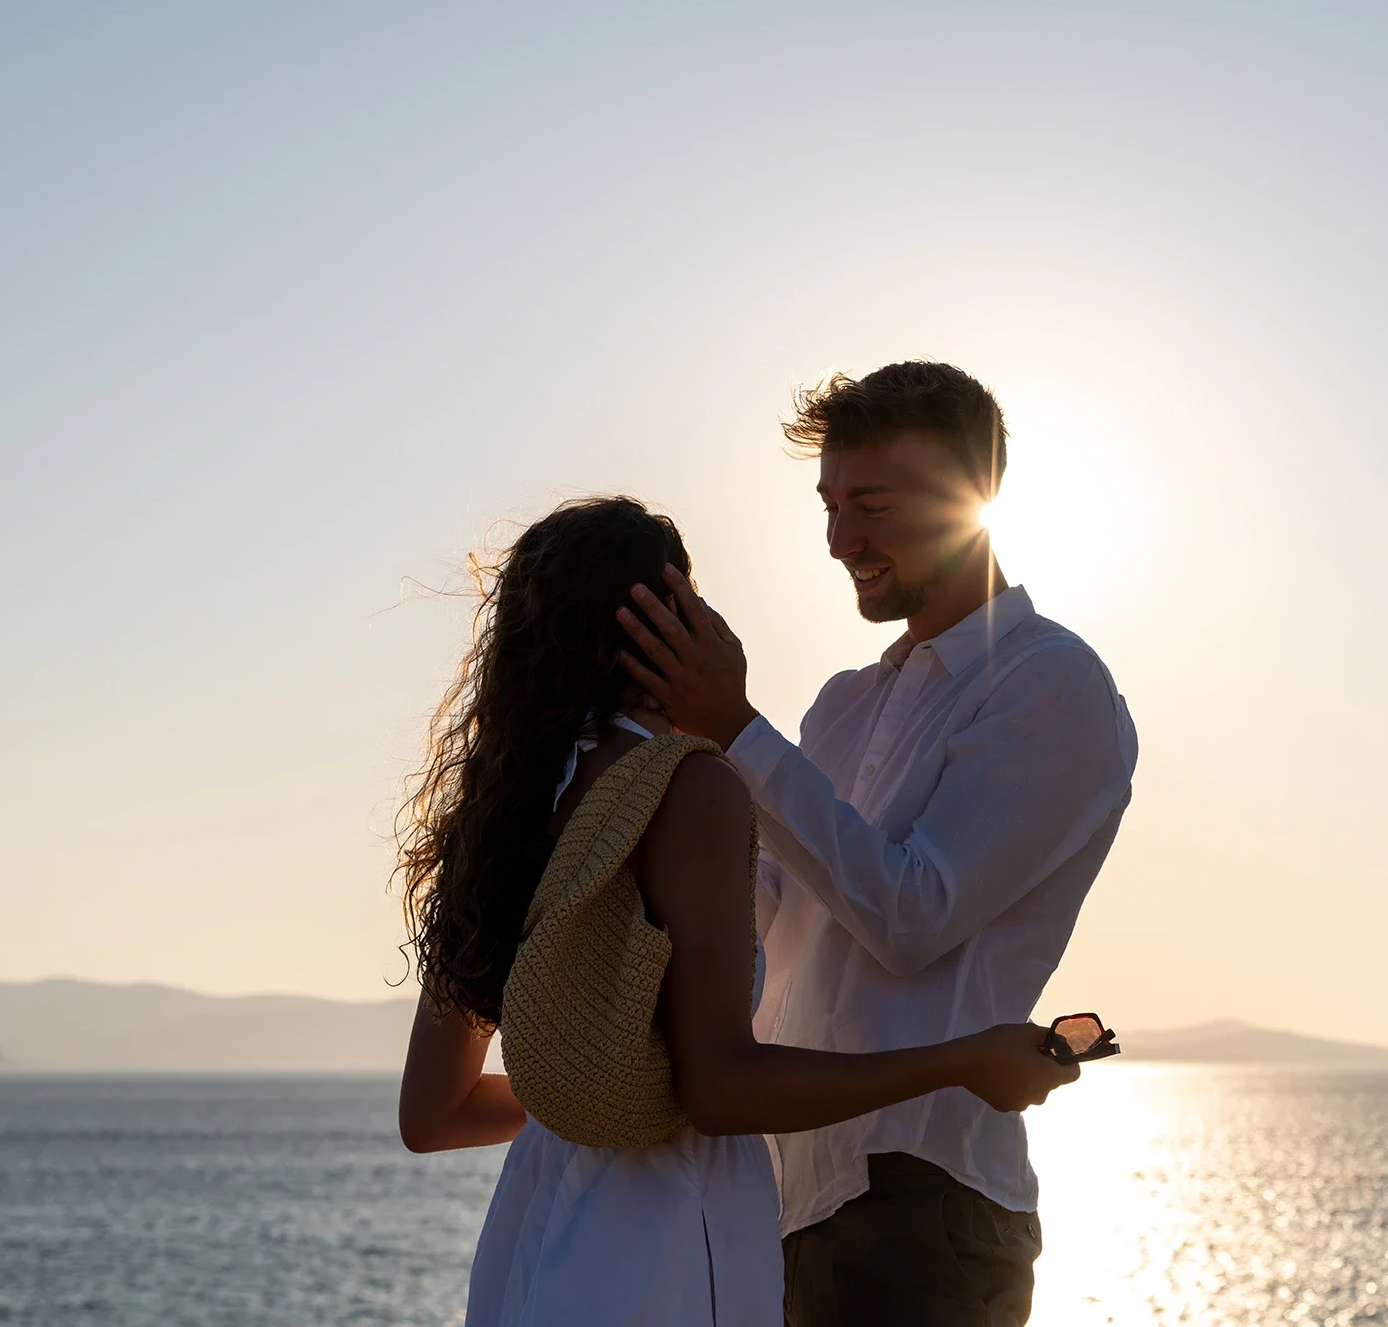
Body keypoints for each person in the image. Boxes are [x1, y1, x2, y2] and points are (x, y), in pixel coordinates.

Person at [393, 495, 1078, 1327]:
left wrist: (602, 1072)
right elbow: (717, 1088)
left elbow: (432, 1113)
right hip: (665, 1237)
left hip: (531, 1234)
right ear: (670, 618)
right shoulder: (685, 787)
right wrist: (962, 1059)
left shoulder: (503, 808)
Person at [618, 361, 1139, 1327]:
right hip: (780, 1195)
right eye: (829, 504)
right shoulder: (843, 704)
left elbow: (912, 916)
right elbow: (763, 919)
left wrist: (735, 732)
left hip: (921, 1198)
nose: (839, 539)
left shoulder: (1051, 682)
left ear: (971, 496)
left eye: (871, 503)